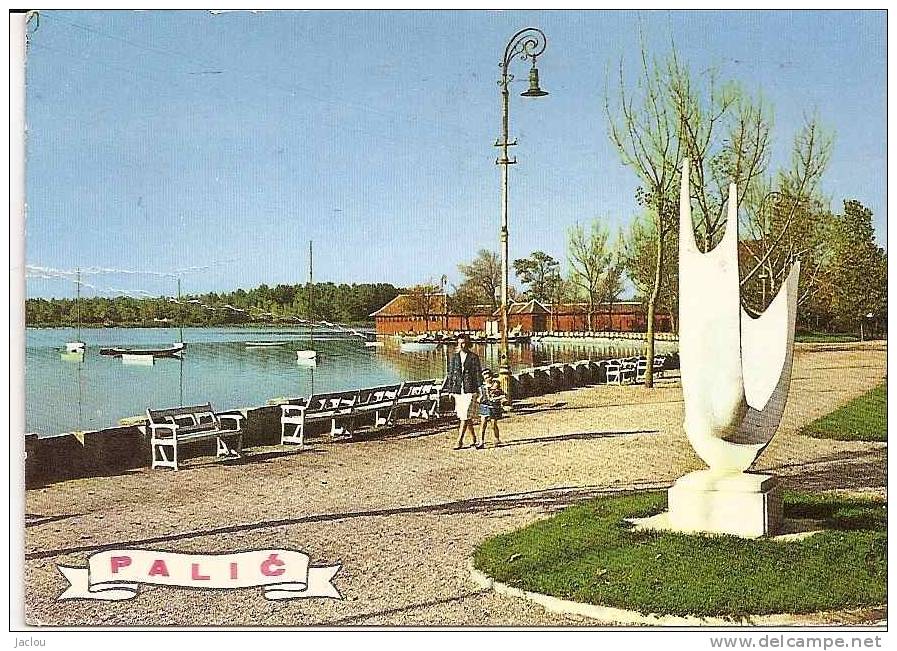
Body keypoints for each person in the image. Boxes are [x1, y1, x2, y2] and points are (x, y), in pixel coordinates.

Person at [445, 333, 483, 449]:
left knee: (465, 414)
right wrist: (450, 390)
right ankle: (473, 438)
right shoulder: (454, 357)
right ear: (457, 344)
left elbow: (477, 374)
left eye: (464, 343)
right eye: (460, 343)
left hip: (470, 389)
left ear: (468, 344)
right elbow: (451, 374)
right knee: (464, 415)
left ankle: (459, 440)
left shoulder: (473, 357)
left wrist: (480, 390)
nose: (462, 345)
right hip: (458, 390)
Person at [477, 369, 505, 448]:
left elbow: (501, 394)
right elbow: (480, 396)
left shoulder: (496, 385)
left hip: (493, 406)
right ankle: (481, 441)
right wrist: (479, 399)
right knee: (483, 424)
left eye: (489, 377)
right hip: (484, 405)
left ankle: (497, 439)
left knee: (493, 423)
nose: (488, 379)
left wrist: (499, 398)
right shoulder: (482, 387)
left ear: (491, 377)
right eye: (485, 378)